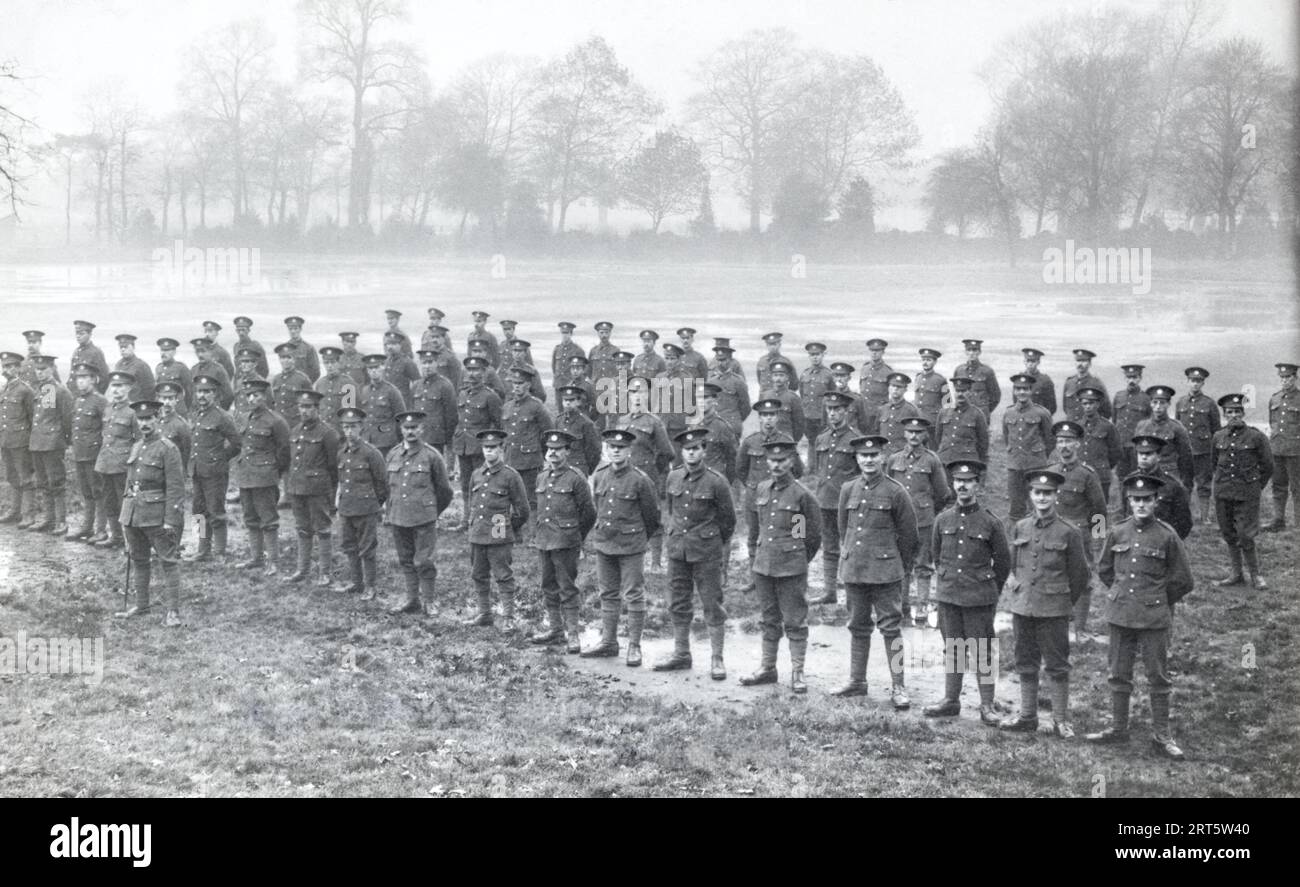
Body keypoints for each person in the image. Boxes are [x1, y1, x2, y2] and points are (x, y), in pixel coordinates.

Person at [1087, 474, 1194, 760]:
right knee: (1118, 674)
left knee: (1158, 676)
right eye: (1136, 500)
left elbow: (1183, 580)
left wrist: (1156, 599)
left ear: (1155, 501)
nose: (1141, 504)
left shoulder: (1167, 535)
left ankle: (1162, 735)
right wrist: (1124, 593)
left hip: (1153, 617)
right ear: (1129, 501)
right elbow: (1105, 569)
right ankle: (1118, 727)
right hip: (1121, 614)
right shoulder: (1117, 531)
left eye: (1147, 499)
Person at [1000, 469, 1090, 738]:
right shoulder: (1021, 527)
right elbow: (1013, 563)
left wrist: (1061, 600)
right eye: (1037, 493)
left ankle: (1060, 720)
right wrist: (1017, 590)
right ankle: (1028, 716)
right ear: (1030, 495)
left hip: (1053, 609)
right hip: (1023, 607)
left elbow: (1080, 575)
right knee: (1025, 661)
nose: (1042, 498)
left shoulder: (1069, 532)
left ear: (1055, 496)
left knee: (1057, 664)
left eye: (1047, 493)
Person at [830, 434, 918, 708]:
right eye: (863, 456)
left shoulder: (896, 491)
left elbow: (910, 537)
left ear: (882, 457)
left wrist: (895, 565)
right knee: (857, 626)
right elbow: (843, 529)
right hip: (855, 569)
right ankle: (857, 682)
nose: (868, 460)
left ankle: (898, 686)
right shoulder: (847, 489)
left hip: (885, 571)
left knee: (891, 628)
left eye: (873, 455)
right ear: (856, 459)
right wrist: (848, 559)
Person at [923, 459, 1011, 725]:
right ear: (952, 483)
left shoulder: (990, 523)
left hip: (979, 597)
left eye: (968, 481)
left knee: (982, 650)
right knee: (952, 648)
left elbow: (1003, 563)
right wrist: (949, 582)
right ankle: (951, 700)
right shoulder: (942, 520)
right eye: (958, 481)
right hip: (949, 595)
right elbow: (936, 557)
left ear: (977, 484)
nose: (962, 485)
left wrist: (988, 590)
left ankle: (987, 705)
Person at [739, 436, 821, 694]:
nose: (776, 466)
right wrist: (758, 559)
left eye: (781, 460)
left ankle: (797, 672)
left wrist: (796, 559)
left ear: (791, 461)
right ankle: (767, 668)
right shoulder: (762, 489)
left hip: (790, 567)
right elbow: (757, 529)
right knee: (768, 619)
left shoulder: (800, 495)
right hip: (764, 566)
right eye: (772, 461)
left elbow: (809, 537)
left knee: (795, 620)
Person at [654, 428, 737, 679]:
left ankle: (717, 658)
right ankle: (681, 653)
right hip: (678, 550)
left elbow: (728, 521)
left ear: (704, 450)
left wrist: (711, 541)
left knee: (712, 603)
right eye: (687, 449)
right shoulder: (673, 478)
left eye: (697, 448)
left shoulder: (717, 481)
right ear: (682, 452)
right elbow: (670, 509)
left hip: (706, 551)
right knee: (678, 602)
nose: (692, 452)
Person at [581, 428, 661, 666]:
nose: (616, 451)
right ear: (606, 449)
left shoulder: (640, 479)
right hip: (605, 543)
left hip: (631, 545)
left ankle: (634, 646)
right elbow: (596, 506)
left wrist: (637, 540)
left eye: (621, 448)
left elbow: (652, 517)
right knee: (607, 593)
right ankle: (608, 642)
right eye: (611, 447)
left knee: (634, 594)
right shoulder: (600, 475)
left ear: (629, 450)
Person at [116, 399, 187, 627]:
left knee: (168, 561)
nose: (145, 423)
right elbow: (129, 483)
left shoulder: (168, 449)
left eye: (149, 419)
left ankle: (173, 612)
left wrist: (171, 520)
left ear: (158, 419)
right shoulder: (137, 446)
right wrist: (124, 515)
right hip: (134, 515)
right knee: (139, 560)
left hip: (157, 516)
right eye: (141, 419)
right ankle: (142, 604)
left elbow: (176, 488)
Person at [529, 430, 597, 653]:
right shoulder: (542, 477)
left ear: (567, 451)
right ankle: (556, 630)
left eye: (558, 450)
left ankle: (573, 633)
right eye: (550, 450)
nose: (553, 454)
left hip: (566, 541)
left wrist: (576, 537)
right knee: (548, 585)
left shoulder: (576, 478)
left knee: (567, 587)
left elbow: (588, 513)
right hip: (544, 539)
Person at [385, 411, 455, 615]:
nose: (410, 431)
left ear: (422, 429)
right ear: (401, 429)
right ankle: (412, 599)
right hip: (398, 516)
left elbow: (445, 491)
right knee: (405, 559)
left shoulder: (432, 456)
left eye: (414, 427)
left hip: (423, 517)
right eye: (406, 428)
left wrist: (431, 511)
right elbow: (387, 486)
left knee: (424, 561)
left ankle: (430, 601)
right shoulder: (393, 454)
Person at [887, 416, 952, 625]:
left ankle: (922, 607)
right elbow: (887, 488)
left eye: (918, 432)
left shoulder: (931, 460)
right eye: (910, 432)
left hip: (924, 520)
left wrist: (929, 511)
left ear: (925, 435)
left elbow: (943, 494)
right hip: (898, 521)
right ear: (904, 433)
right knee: (901, 564)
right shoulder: (894, 459)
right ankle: (902, 606)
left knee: (923, 565)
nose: (914, 436)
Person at [1047, 420, 1107, 642]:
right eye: (1060, 441)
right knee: (1053, 579)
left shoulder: (1087, 475)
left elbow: (1099, 511)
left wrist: (1098, 542)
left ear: (1078, 445)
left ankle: (1080, 630)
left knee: (1082, 581)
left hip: (1079, 537)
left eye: (1069, 441)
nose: (1064, 446)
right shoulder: (1050, 473)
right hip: (1053, 535)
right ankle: (1055, 625)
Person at [464, 429, 530, 631]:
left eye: (493, 448)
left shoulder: (510, 476)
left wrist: (505, 526)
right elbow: (471, 503)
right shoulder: (476, 474)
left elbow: (523, 509)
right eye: (486, 448)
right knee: (478, 574)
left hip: (498, 530)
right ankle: (485, 613)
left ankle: (508, 617)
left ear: (502, 449)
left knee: (503, 574)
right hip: (478, 532)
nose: (489, 452)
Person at [736, 399, 805, 592]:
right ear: (759, 418)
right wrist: (755, 488)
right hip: (755, 500)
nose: (768, 419)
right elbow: (740, 470)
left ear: (777, 417)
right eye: (764, 415)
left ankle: (787, 575)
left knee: (789, 536)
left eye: (772, 415)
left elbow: (799, 470)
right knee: (755, 538)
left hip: (784, 500)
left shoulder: (786, 441)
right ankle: (756, 579)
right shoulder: (750, 441)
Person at [1211, 393, 1274, 590]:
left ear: (1243, 413)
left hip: (1247, 494)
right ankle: (1236, 573)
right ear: (1224, 415)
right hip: (1223, 493)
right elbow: (1214, 463)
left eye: (1237, 412)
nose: (1234, 415)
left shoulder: (1256, 437)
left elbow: (1268, 466)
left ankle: (1255, 575)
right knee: (1229, 533)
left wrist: (1255, 487)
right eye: (1230, 412)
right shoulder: (1218, 436)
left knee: (1246, 535)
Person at [232, 379, 291, 575]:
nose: (252, 399)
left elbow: (284, 452)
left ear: (264, 396)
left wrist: (274, 473)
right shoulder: (246, 417)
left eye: (256, 395)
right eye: (249, 395)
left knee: (268, 520)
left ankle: (273, 561)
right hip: (246, 475)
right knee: (250, 517)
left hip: (265, 477)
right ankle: (256, 558)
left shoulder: (276, 421)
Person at [285, 390, 340, 587]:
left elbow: (334, 466)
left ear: (317, 409)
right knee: (302, 529)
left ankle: (325, 572)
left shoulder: (328, 433)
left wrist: (330, 493)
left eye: (308, 407)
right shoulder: (295, 430)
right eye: (301, 406)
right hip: (297, 488)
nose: (304, 411)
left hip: (318, 489)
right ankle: (302, 569)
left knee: (323, 529)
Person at [809, 391, 859, 605]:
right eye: (830, 409)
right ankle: (830, 592)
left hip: (846, 504)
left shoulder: (856, 439)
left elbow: (861, 475)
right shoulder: (821, 438)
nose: (833, 413)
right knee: (829, 548)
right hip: (824, 501)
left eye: (837, 409)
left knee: (851, 549)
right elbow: (819, 470)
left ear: (846, 411)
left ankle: (853, 595)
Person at [334, 407, 389, 600]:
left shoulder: (371, 453)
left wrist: (374, 504)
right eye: (346, 427)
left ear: (361, 428)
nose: (349, 431)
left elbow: (382, 484)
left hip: (366, 508)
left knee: (367, 547)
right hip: (347, 507)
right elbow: (341, 481)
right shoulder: (342, 453)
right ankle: (356, 583)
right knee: (349, 545)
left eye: (353, 427)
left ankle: (370, 586)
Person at [186, 374, 241, 562]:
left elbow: (236, 443)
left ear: (214, 394)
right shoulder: (195, 414)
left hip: (215, 473)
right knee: (198, 512)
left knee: (216, 511)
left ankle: (219, 552)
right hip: (197, 471)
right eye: (199, 391)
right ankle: (201, 549)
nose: (202, 395)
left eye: (206, 392)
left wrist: (219, 458)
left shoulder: (223, 417)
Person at [452, 356, 503, 526]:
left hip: (481, 448)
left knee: (484, 484)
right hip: (463, 446)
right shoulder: (462, 394)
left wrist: (494, 448)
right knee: (466, 484)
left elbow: (499, 424)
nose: (472, 374)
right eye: (470, 370)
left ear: (484, 372)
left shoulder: (490, 397)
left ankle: (485, 520)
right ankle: (467, 519)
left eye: (476, 370)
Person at [26, 354, 73, 534]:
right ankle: (48, 519)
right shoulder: (41, 390)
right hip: (37, 443)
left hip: (53, 444)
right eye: (37, 369)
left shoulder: (59, 391)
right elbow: (38, 418)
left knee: (57, 483)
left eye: (43, 369)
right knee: (43, 482)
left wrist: (64, 441)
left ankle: (61, 522)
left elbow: (66, 419)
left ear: (52, 369)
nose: (40, 373)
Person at [92, 371, 138, 548]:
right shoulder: (109, 409)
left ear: (129, 388)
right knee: (109, 502)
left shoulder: (133, 411)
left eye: (121, 386)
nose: (116, 390)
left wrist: (132, 461)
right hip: (105, 464)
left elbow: (139, 439)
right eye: (114, 386)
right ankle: (116, 537)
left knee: (126, 504)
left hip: (123, 465)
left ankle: (130, 541)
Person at [1002, 373, 1056, 522]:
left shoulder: (1042, 413)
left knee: (1038, 503)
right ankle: (1016, 539)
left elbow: (1050, 440)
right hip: (1015, 466)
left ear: (1031, 391)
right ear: (1014, 391)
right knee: (1015, 505)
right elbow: (1007, 438)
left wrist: (1038, 455)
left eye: (1025, 389)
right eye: (1018, 389)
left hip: (1035, 465)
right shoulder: (1008, 412)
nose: (1022, 392)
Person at [502, 365, 553, 517]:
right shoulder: (507, 407)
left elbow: (548, 433)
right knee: (509, 497)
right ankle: (513, 531)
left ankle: (533, 536)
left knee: (531, 499)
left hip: (529, 461)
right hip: (510, 459)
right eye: (514, 383)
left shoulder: (537, 407)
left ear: (528, 385)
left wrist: (539, 454)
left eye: (520, 383)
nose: (517, 387)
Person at [68, 364, 108, 540]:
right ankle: (87, 527)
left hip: (94, 454)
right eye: (78, 378)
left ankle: (101, 530)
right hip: (80, 453)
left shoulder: (100, 401)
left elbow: (106, 428)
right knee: (86, 492)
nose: (80, 381)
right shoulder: (78, 400)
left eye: (84, 378)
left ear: (93, 380)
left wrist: (103, 452)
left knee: (98, 491)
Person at [1177, 367, 1221, 523]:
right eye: (1192, 381)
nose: (1195, 384)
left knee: (1204, 484)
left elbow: (1216, 430)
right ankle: (1184, 515)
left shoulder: (1209, 404)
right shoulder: (1180, 402)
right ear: (1187, 382)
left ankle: (1204, 516)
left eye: (1198, 381)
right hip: (1185, 452)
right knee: (1184, 483)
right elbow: (1177, 428)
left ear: (1203, 383)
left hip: (1203, 451)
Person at [1132, 434, 1193, 540]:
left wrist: (1168, 542)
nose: (1144, 457)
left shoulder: (1172, 486)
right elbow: (1123, 515)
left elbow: (1184, 524)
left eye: (1149, 453)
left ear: (1159, 456)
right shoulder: (1130, 482)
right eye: (1140, 453)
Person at [1135, 385, 1194, 492]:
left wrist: (1186, 484)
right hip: (1146, 473)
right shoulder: (1142, 426)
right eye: (1155, 402)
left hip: (1169, 474)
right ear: (1150, 403)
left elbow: (1186, 459)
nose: (1158, 406)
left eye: (1162, 403)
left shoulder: (1177, 428)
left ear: (1168, 404)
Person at [0, 351, 34, 527]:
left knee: (25, 477)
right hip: (6, 439)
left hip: (21, 440)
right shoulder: (5, 388)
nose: (8, 370)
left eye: (12, 366)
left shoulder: (25, 390)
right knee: (12, 476)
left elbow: (32, 417)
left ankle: (27, 514)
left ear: (19, 368)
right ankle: (14, 511)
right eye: (5, 366)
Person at [1266, 361, 1300, 531]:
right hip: (1277, 449)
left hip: (1296, 450)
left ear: (1295, 378)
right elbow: (1272, 422)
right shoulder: (1275, 398)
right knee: (1278, 486)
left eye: (1289, 377)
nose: (1285, 380)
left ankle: (1298, 524)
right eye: (1283, 377)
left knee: (1297, 487)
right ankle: (1278, 521)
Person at [1076, 386, 1124, 504]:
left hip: (1101, 475)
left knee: (1100, 509)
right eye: (1085, 403)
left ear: (1097, 404)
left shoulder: (1107, 426)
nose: (1088, 406)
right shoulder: (1077, 426)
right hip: (1081, 474)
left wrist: (1104, 465)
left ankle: (1100, 524)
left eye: (1091, 403)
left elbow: (1116, 452)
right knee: (1081, 507)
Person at [409, 349, 458, 457]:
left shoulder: (445, 385)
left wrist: (448, 440)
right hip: (417, 436)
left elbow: (451, 416)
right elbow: (412, 412)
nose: (427, 366)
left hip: (436, 438)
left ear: (436, 363)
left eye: (430, 362)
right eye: (424, 363)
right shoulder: (416, 386)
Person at [937, 372, 989, 465]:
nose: (960, 394)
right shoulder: (943, 412)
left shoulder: (977, 414)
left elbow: (983, 442)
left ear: (970, 392)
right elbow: (938, 437)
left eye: (964, 391)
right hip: (945, 460)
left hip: (967, 460)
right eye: (957, 390)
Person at [1112, 364, 1151, 483]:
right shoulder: (1119, 396)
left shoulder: (1146, 399)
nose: (1131, 381)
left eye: (1134, 377)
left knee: (1138, 476)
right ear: (1125, 378)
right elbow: (1114, 419)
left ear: (1140, 378)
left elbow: (1150, 423)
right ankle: (1123, 502)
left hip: (1137, 446)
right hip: (1121, 445)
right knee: (1121, 478)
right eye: (1129, 378)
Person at [360, 354, 405, 457]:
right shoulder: (364, 391)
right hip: (367, 441)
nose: (374, 371)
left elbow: (401, 419)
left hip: (386, 442)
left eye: (376, 367)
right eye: (370, 368)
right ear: (367, 371)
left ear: (382, 368)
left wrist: (401, 442)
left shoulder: (392, 391)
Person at [554, 386, 602, 475]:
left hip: (578, 469)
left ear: (578, 402)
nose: (568, 403)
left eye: (571, 400)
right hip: (560, 467)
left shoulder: (586, 423)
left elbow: (594, 450)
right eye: (565, 400)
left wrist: (587, 469)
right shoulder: (559, 420)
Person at [707, 342, 750, 437]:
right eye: (718, 360)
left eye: (723, 360)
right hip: (715, 426)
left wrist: (736, 419)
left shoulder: (738, 381)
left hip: (732, 426)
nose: (720, 363)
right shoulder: (711, 382)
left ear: (730, 360)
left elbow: (746, 407)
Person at [798, 342, 834, 450]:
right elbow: (802, 394)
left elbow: (833, 396)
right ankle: (811, 466)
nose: (815, 358)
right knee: (811, 444)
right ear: (809, 356)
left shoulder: (829, 375)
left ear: (823, 355)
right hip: (808, 417)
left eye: (817, 354)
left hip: (822, 418)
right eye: (812, 355)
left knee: (824, 444)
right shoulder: (805, 374)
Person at [877, 372, 921, 454]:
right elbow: (876, 432)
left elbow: (920, 436)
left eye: (899, 387)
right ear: (888, 388)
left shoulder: (911, 410)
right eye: (893, 386)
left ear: (905, 390)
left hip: (902, 455)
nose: (895, 389)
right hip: (884, 454)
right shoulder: (882, 409)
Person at [955, 339, 1000, 417]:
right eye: (969, 350)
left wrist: (985, 410)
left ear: (979, 352)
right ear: (965, 352)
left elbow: (995, 396)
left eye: (974, 350)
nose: (971, 353)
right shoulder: (959, 370)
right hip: (963, 413)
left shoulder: (987, 371)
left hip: (981, 413)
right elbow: (956, 392)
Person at [1061, 348, 1110, 421]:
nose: (1080, 364)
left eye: (1083, 361)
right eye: (1078, 361)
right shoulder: (1069, 382)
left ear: (1090, 363)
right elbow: (1066, 408)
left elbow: (1107, 411)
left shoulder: (1097, 383)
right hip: (1072, 427)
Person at [913, 348, 949, 443]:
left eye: (929, 360)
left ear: (935, 362)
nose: (925, 363)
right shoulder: (918, 378)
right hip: (918, 421)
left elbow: (947, 404)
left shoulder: (941, 380)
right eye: (924, 360)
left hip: (932, 423)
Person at [155, 382, 192, 474]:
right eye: (164, 398)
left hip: (173, 471)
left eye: (170, 398)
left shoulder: (181, 425)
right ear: (158, 399)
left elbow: (187, 451)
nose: (167, 402)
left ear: (176, 400)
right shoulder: (154, 422)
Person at [271, 344, 312, 420]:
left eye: (289, 357)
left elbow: (310, 403)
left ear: (294, 359)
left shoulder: (302, 379)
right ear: (279, 360)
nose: (285, 360)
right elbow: (273, 402)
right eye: (282, 358)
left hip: (295, 422)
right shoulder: (276, 379)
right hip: (278, 422)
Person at [68, 320, 110, 394]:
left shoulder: (96, 352)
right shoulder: (76, 351)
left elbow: (105, 378)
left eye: (82, 334)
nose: (78, 336)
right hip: (75, 396)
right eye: (77, 333)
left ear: (90, 334)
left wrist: (96, 395)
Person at [154, 338, 193, 415]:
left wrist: (186, 409)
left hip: (178, 410)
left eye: (167, 350)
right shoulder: (158, 368)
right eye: (162, 350)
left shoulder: (181, 368)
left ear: (174, 352)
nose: (163, 353)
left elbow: (190, 392)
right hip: (162, 409)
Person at [113, 334, 156, 402]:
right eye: (121, 347)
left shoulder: (141, 365)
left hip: (136, 405)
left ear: (133, 347)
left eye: (126, 347)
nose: (123, 349)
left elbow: (149, 390)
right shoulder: (118, 365)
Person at [281, 316, 320, 382]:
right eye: (290, 329)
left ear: (300, 329)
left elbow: (316, 371)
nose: (293, 331)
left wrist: (306, 383)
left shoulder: (309, 348)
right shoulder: (284, 348)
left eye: (295, 329)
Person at [551, 321, 586, 394]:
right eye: (563, 333)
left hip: (571, 384)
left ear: (571, 334)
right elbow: (554, 366)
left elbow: (583, 369)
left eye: (567, 333)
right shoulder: (557, 349)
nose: (565, 335)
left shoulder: (578, 350)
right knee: (558, 405)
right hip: (558, 384)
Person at [858, 338, 893, 408]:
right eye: (872, 350)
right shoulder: (864, 368)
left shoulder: (888, 372)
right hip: (863, 410)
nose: (874, 353)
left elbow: (893, 395)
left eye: (877, 350)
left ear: (883, 352)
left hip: (879, 411)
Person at [1020, 347, 1056, 415]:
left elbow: (1052, 407)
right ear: (1024, 361)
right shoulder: (1019, 379)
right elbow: (1016, 402)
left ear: (1038, 362)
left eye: (1033, 361)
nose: (1030, 364)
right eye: (1028, 361)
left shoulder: (1045, 381)